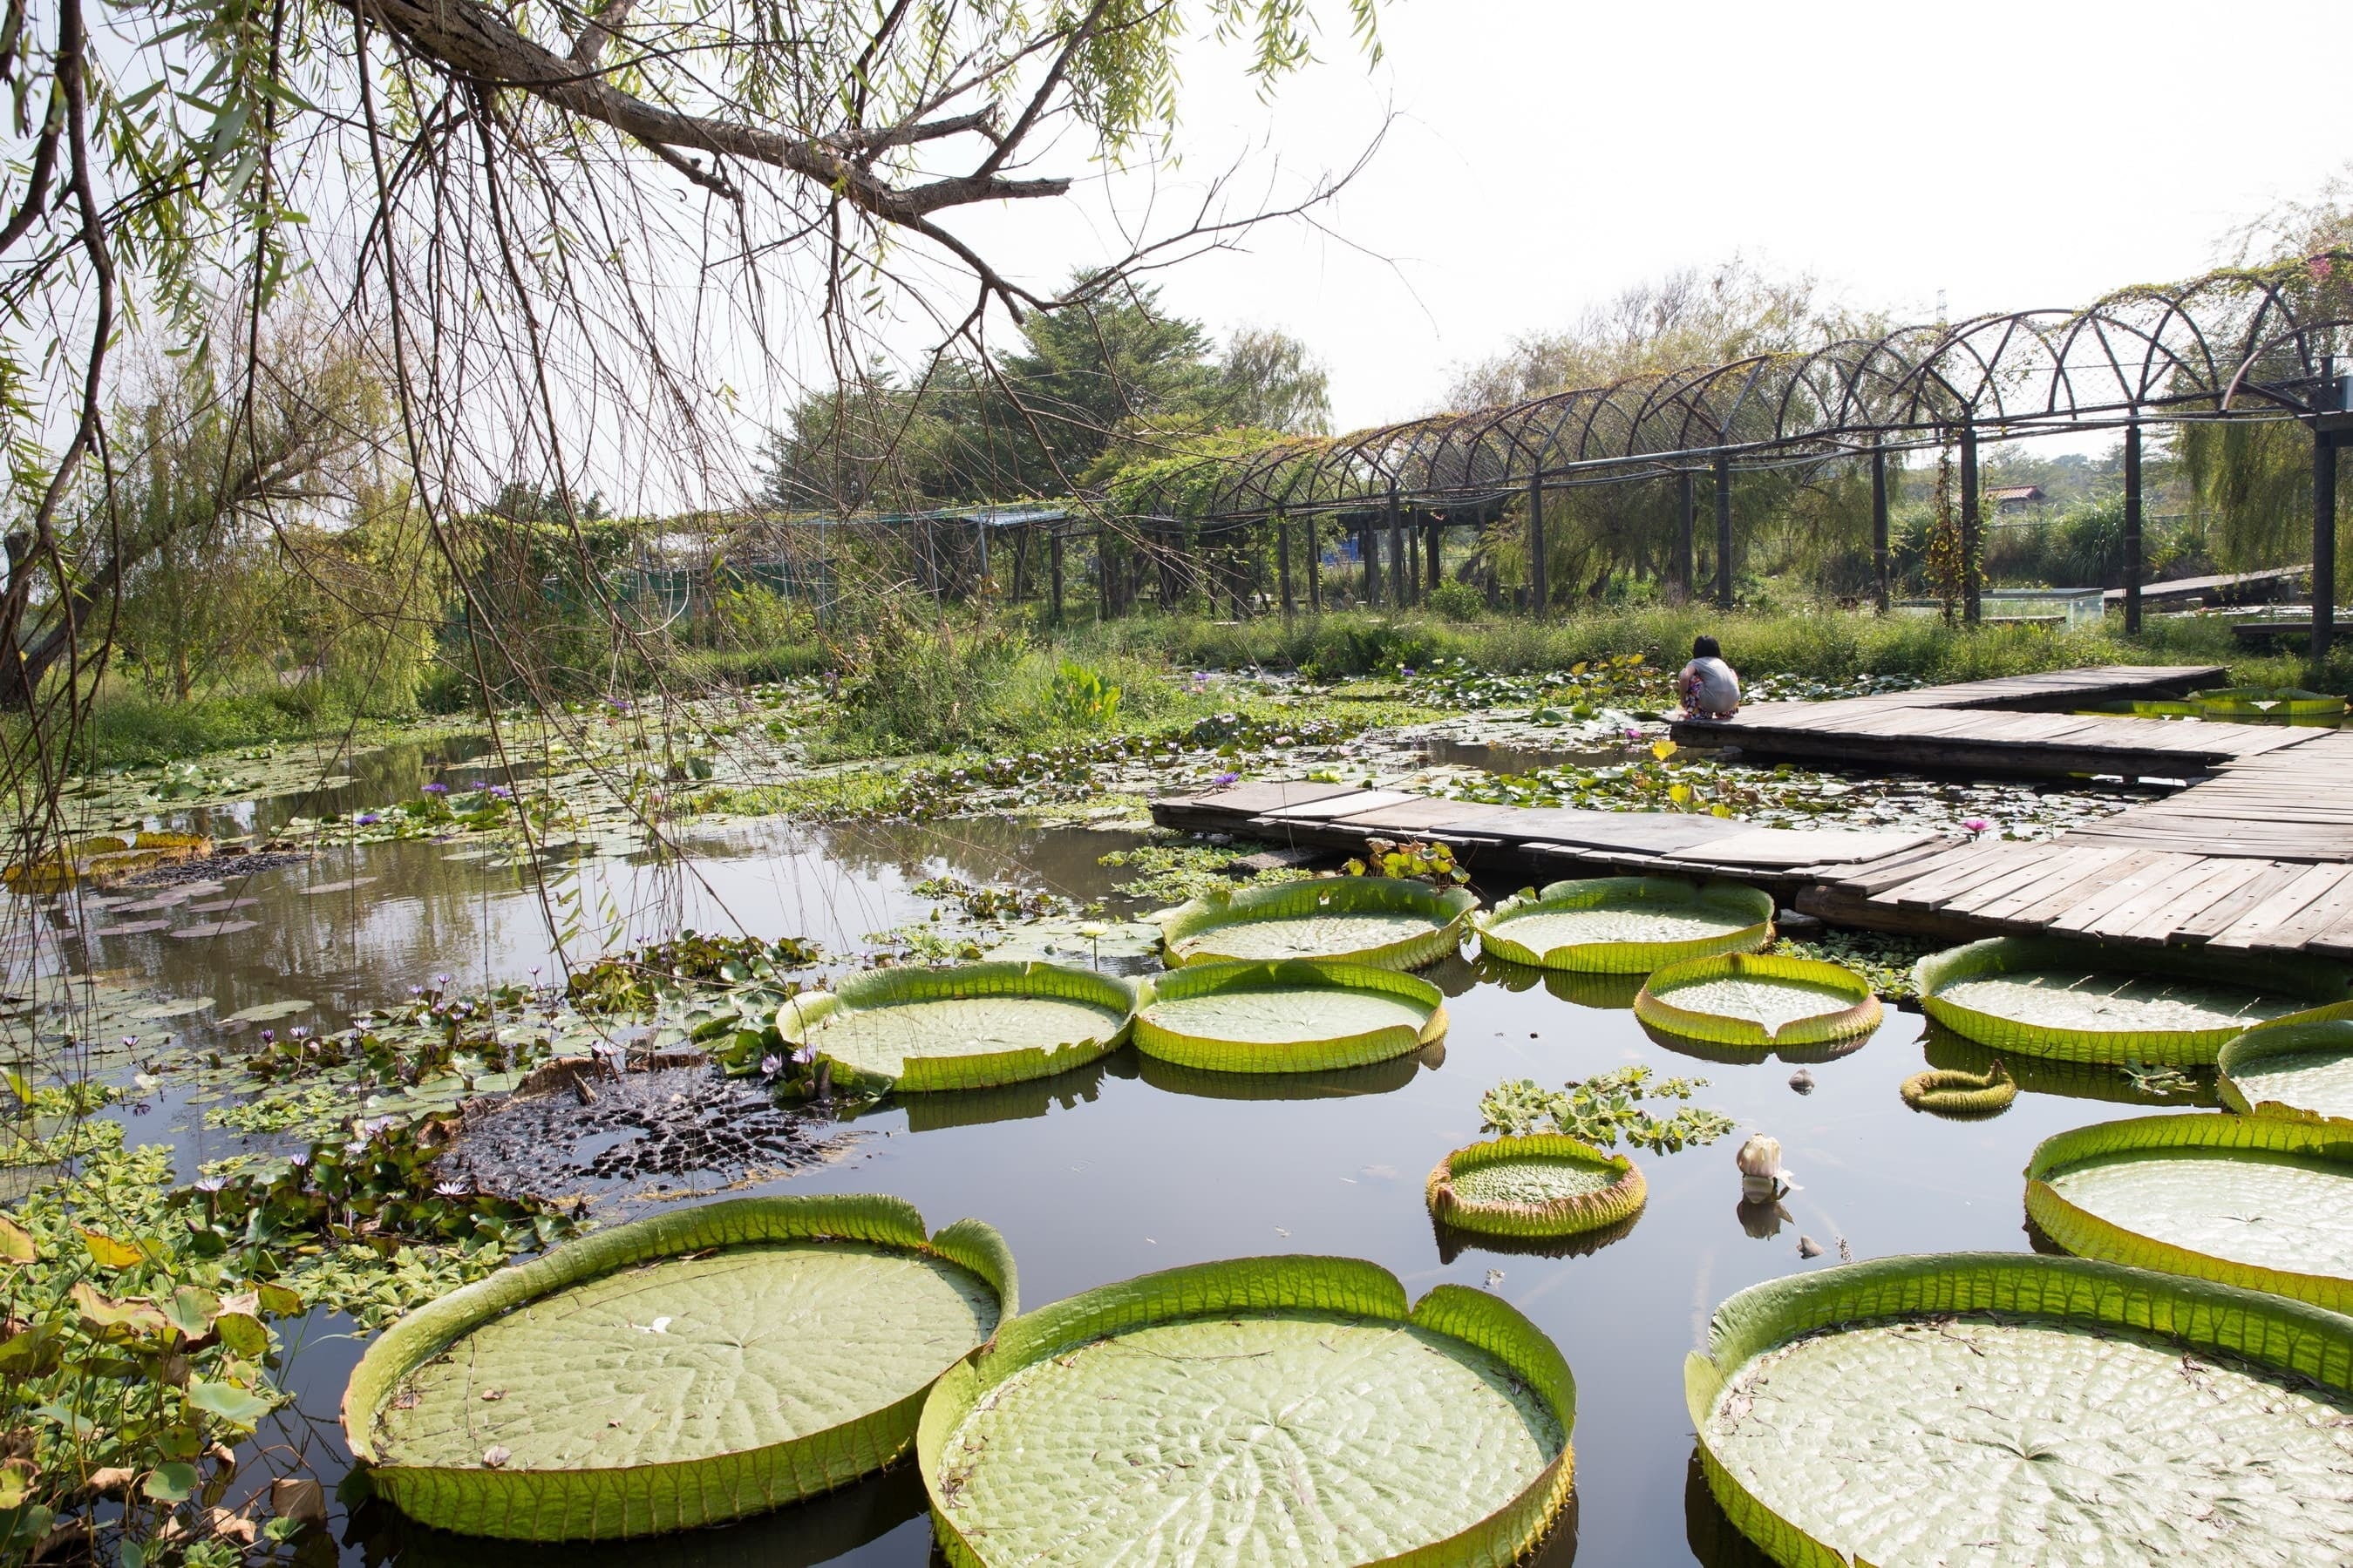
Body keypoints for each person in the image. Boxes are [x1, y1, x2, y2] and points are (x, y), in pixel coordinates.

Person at [1677, 635, 1742, 719]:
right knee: (1731, 672)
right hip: (1731, 703)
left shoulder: (1695, 662)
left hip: (1712, 703)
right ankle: (1725, 713)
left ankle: (1696, 713)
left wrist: (1682, 700)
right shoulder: (1721, 662)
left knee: (1689, 675)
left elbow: (1684, 677)